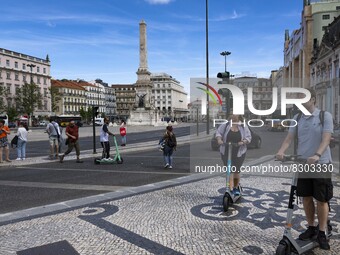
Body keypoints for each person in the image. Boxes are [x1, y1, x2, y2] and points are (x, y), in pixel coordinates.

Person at [276, 88, 333, 250]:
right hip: (303, 164)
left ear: (313, 99)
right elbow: (289, 138)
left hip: (321, 163)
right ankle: (311, 227)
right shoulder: (297, 117)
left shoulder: (324, 116)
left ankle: (322, 232)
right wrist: (281, 151)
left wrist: (317, 154)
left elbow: (326, 139)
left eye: (304, 98)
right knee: (306, 197)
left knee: (321, 200)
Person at [215, 115, 251, 195]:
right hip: (226, 150)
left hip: (239, 151)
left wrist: (243, 142)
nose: (233, 116)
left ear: (239, 116)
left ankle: (235, 187)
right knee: (229, 170)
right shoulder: (226, 125)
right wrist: (219, 139)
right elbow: (218, 133)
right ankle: (229, 188)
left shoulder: (243, 126)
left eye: (236, 115)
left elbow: (248, 137)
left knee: (236, 170)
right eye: (232, 114)